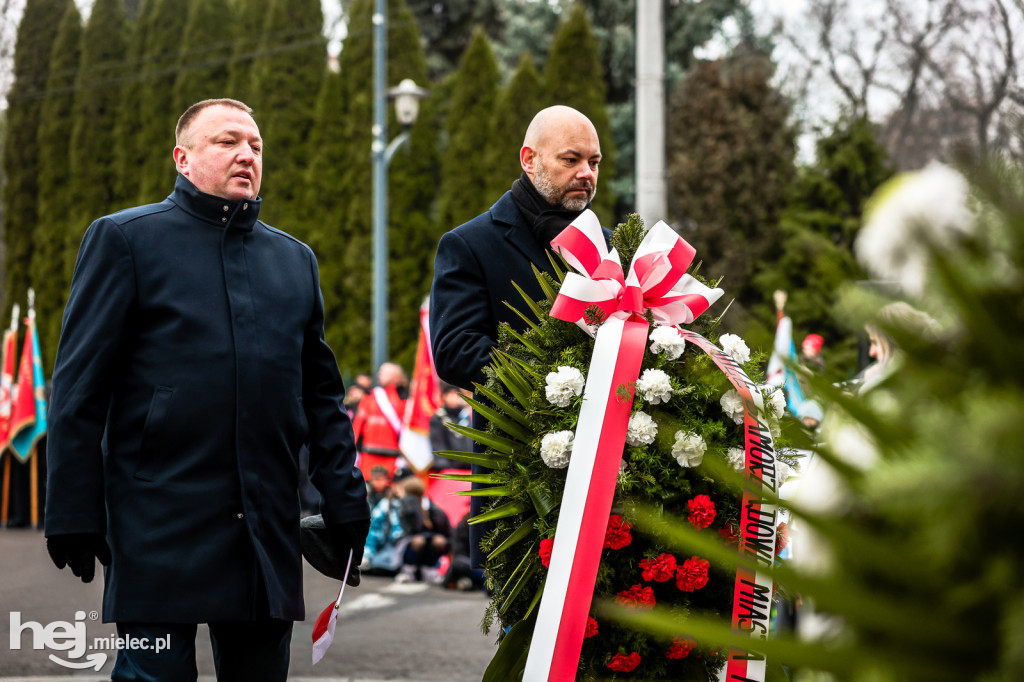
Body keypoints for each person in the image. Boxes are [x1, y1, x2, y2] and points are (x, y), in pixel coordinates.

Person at [43, 98, 370, 681]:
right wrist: (71, 506)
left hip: (264, 523)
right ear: (183, 158)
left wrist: (345, 501)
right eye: (227, 142)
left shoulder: (295, 261)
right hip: (159, 520)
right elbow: (78, 388)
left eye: (256, 146)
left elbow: (322, 397)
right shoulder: (125, 240)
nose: (246, 154)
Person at [429, 105, 603, 566]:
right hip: (521, 489)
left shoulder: (608, 243)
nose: (586, 173)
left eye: (594, 162)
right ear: (529, 159)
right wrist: (561, 377)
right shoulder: (471, 243)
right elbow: (454, 351)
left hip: (612, 488)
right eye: (571, 160)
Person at [351, 362, 409, 476]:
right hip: (369, 456)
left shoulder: (405, 399)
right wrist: (354, 451)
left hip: (394, 458)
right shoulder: (370, 398)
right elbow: (356, 428)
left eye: (383, 372)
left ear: (395, 376)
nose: (379, 374)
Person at [395, 476, 452, 584]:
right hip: (407, 541)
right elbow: (409, 529)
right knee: (418, 540)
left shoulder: (431, 507)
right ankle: (408, 570)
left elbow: (444, 529)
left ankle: (429, 569)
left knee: (440, 541)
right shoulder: (404, 507)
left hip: (428, 540)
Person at [428, 383, 473, 470]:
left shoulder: (466, 417)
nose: (453, 398)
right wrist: (444, 466)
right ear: (444, 396)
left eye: (456, 395)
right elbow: (438, 444)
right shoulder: (438, 418)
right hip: (449, 468)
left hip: (469, 467)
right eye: (449, 394)